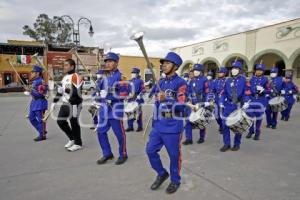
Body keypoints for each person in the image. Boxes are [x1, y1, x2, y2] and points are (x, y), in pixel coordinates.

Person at [146, 52, 187, 194]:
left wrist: (167, 100)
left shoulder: (181, 83)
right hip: (158, 125)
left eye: (167, 63)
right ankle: (162, 173)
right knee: (150, 150)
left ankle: (175, 180)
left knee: (174, 156)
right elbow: (152, 96)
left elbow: (182, 105)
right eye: (163, 63)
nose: (164, 65)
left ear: (175, 67)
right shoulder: (161, 82)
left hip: (173, 126)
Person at [96, 52, 129, 165]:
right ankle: (107, 153)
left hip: (115, 110)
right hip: (104, 110)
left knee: (119, 135)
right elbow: (97, 93)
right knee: (100, 132)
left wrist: (111, 97)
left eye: (110, 61)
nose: (108, 63)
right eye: (106, 62)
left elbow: (124, 94)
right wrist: (98, 95)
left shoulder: (121, 76)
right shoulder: (103, 77)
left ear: (116, 63)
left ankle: (123, 154)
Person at [219, 61, 251, 152]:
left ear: (240, 70)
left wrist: (246, 102)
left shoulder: (244, 80)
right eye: (232, 68)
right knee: (225, 125)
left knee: (239, 125)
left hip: (238, 105)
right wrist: (221, 101)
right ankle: (226, 144)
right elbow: (223, 92)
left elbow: (247, 92)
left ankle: (237, 144)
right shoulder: (227, 80)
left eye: (236, 69)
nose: (234, 70)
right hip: (228, 105)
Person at [53, 59, 83, 152]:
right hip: (65, 103)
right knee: (60, 122)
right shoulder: (65, 77)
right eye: (64, 65)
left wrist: (65, 90)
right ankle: (72, 138)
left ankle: (78, 143)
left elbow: (76, 93)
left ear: (72, 66)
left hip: (74, 103)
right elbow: (60, 91)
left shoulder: (76, 76)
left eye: (66, 65)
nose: (64, 67)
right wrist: (55, 101)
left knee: (74, 123)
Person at [182, 64, 209, 145]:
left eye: (197, 71)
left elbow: (208, 92)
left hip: (201, 102)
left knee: (201, 120)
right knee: (188, 120)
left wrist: (207, 102)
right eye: (194, 71)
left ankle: (201, 137)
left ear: (201, 72)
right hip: (192, 103)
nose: (195, 72)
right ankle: (189, 139)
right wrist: (188, 100)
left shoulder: (204, 80)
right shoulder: (191, 80)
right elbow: (188, 91)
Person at [246, 63, 270, 140]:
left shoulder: (266, 79)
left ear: (263, 71)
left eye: (260, 70)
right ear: (255, 71)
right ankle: (251, 130)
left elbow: (269, 90)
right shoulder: (251, 79)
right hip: (252, 100)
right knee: (250, 116)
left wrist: (264, 90)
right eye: (257, 70)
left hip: (261, 100)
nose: (258, 72)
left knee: (259, 118)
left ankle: (257, 133)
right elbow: (247, 88)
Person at [25, 65, 48, 142]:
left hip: (40, 103)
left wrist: (30, 91)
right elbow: (34, 92)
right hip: (34, 103)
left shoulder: (41, 81)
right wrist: (29, 91)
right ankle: (42, 131)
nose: (31, 73)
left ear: (38, 73)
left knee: (41, 120)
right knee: (31, 118)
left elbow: (41, 94)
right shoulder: (34, 81)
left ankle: (42, 135)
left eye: (33, 72)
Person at [126, 67, 146, 132]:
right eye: (132, 73)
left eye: (134, 73)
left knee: (138, 113)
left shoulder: (140, 81)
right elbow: (127, 90)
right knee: (129, 113)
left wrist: (140, 95)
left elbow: (143, 90)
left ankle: (140, 127)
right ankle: (130, 126)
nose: (133, 74)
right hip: (130, 99)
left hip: (137, 98)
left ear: (137, 73)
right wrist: (127, 95)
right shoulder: (130, 81)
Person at [213, 67, 228, 132]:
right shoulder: (216, 81)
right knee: (216, 115)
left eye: (221, 72)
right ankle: (221, 125)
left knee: (223, 115)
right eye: (219, 72)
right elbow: (213, 89)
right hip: (216, 99)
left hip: (224, 99)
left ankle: (223, 127)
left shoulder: (227, 81)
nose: (219, 74)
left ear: (224, 73)